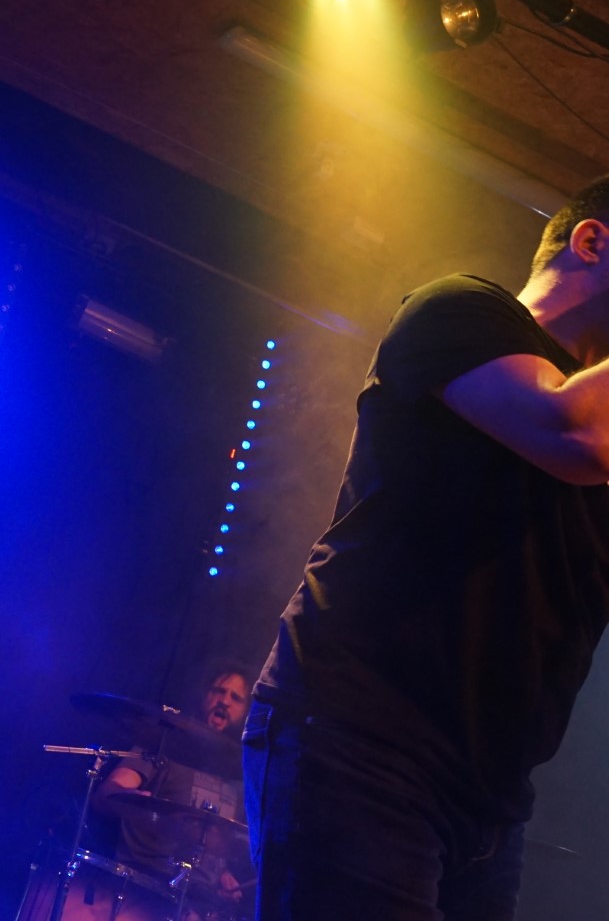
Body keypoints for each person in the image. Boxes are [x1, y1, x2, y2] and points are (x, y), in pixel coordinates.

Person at [245, 176, 609, 920]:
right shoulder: (458, 310)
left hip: (490, 802)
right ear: (592, 241)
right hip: (361, 741)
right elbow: (568, 430)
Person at [88, 666, 253, 920]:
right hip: (142, 889)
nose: (225, 701)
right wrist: (130, 800)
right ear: (204, 695)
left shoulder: (239, 776)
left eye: (236, 697)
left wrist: (222, 874)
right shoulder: (164, 745)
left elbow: (215, 840)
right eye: (219, 691)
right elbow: (106, 794)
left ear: (245, 712)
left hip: (199, 903)